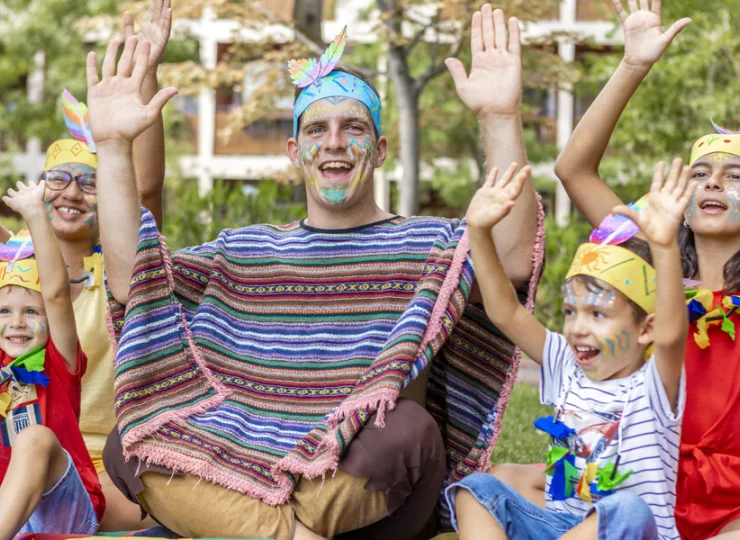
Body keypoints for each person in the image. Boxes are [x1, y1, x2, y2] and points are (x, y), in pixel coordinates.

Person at [89, 5, 543, 540]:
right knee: (134, 436)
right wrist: (114, 148)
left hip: (365, 493)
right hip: (250, 464)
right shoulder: (245, 250)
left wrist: (499, 116)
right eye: (317, 129)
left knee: (410, 431)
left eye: (352, 127)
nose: (333, 141)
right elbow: (133, 283)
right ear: (294, 152)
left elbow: (513, 261)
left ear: (378, 151)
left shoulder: (431, 244)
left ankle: (241, 528)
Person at [553, 1, 740, 537]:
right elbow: (573, 169)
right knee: (501, 480)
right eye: (700, 172)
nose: (711, 183)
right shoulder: (650, 265)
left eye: (733, 176)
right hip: (644, 477)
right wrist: (633, 65)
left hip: (732, 494)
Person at [446, 158, 693, 539]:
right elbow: (506, 312)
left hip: (632, 531)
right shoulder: (566, 363)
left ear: (647, 328)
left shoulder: (654, 386)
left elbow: (674, 335)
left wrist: (663, 246)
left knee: (624, 509)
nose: (578, 327)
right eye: (570, 312)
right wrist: (478, 230)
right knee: (475, 491)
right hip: (564, 528)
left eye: (598, 314)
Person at [35, 0, 171, 530]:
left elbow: (146, 188)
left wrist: (146, 74)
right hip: (26, 452)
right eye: (58, 179)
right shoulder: (12, 260)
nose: (71, 192)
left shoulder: (118, 273)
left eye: (89, 182)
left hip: (114, 463)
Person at [0, 180, 105, 539]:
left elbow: (58, 293)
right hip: (8, 511)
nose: (16, 323)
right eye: (4, 312)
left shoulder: (58, 359)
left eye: (31, 311)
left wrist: (34, 215)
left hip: (64, 509)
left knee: (35, 439)